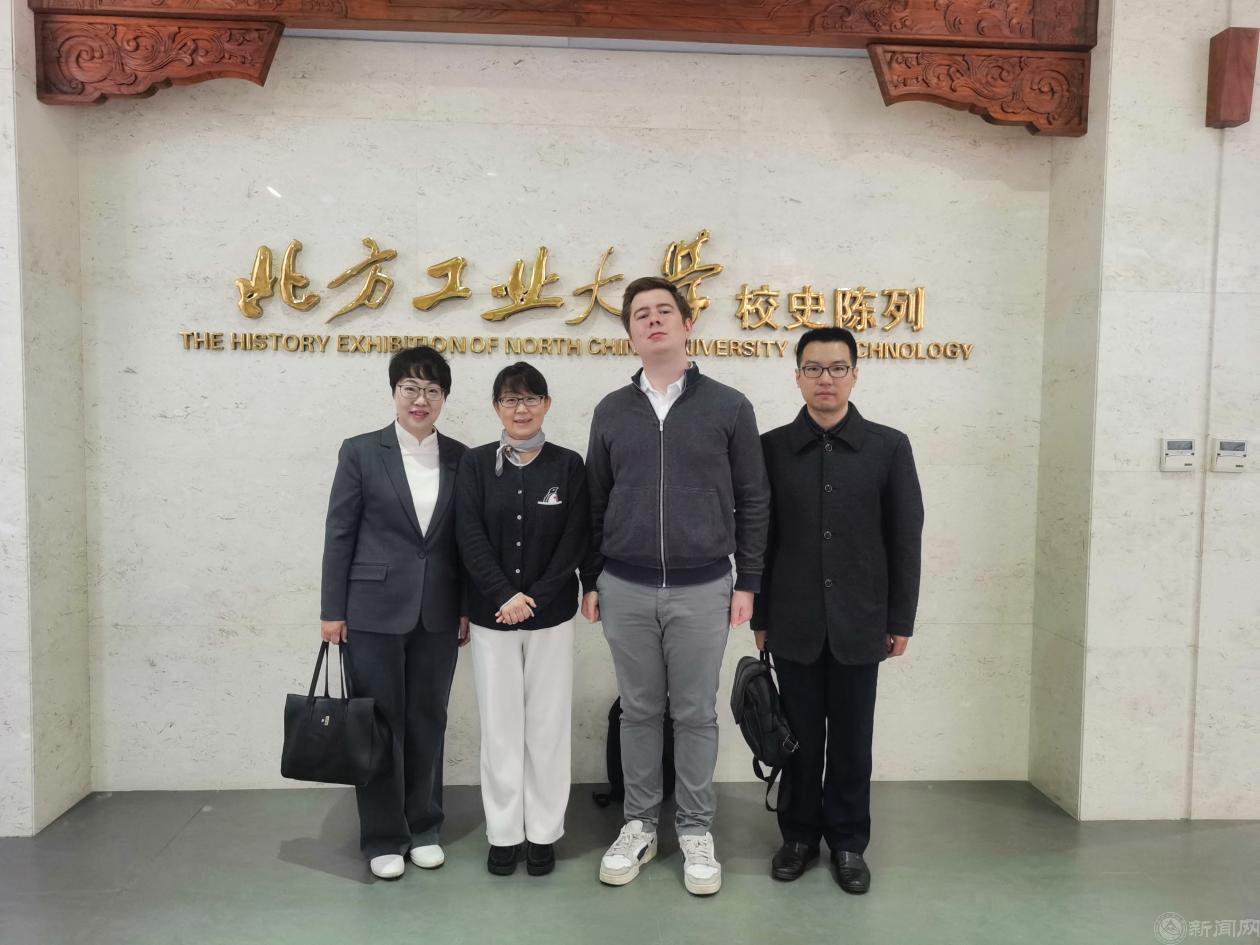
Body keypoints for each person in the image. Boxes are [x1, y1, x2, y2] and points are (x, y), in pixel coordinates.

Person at [582, 276, 770, 896]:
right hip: (625, 585)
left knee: (694, 713)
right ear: (630, 334)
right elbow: (595, 500)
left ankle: (694, 828)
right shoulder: (612, 410)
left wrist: (749, 581)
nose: (654, 320)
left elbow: (753, 498)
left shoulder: (729, 406)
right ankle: (638, 824)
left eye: (665, 311)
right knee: (639, 710)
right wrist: (592, 578)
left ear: (688, 324)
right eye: (641, 314)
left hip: (704, 586)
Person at [752, 326, 924, 895]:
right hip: (793, 619)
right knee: (797, 737)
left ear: (854, 374)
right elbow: (760, 539)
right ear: (797, 375)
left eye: (836, 368)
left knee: (852, 741)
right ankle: (798, 836)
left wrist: (899, 620)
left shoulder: (888, 447)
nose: (825, 378)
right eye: (813, 368)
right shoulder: (772, 448)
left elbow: (905, 539)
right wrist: (760, 616)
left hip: (861, 620)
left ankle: (849, 841)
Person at [319, 345, 469, 881]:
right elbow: (340, 532)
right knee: (380, 724)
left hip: (439, 612)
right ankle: (384, 836)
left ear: (444, 398)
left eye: (432, 390)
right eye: (410, 388)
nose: (420, 399)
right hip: (372, 610)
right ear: (394, 393)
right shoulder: (361, 451)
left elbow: (465, 541)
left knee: (429, 718)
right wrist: (332, 610)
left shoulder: (461, 457)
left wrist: (465, 607)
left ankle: (424, 825)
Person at [455, 362, 589, 878]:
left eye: (532, 398)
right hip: (492, 618)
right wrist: (504, 595)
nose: (521, 408)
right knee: (501, 728)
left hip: (550, 618)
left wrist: (534, 598)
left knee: (548, 727)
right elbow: (468, 536)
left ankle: (544, 833)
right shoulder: (474, 465)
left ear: (547, 404)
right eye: (511, 399)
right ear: (496, 408)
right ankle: (504, 832)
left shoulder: (568, 465)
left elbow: (575, 539)